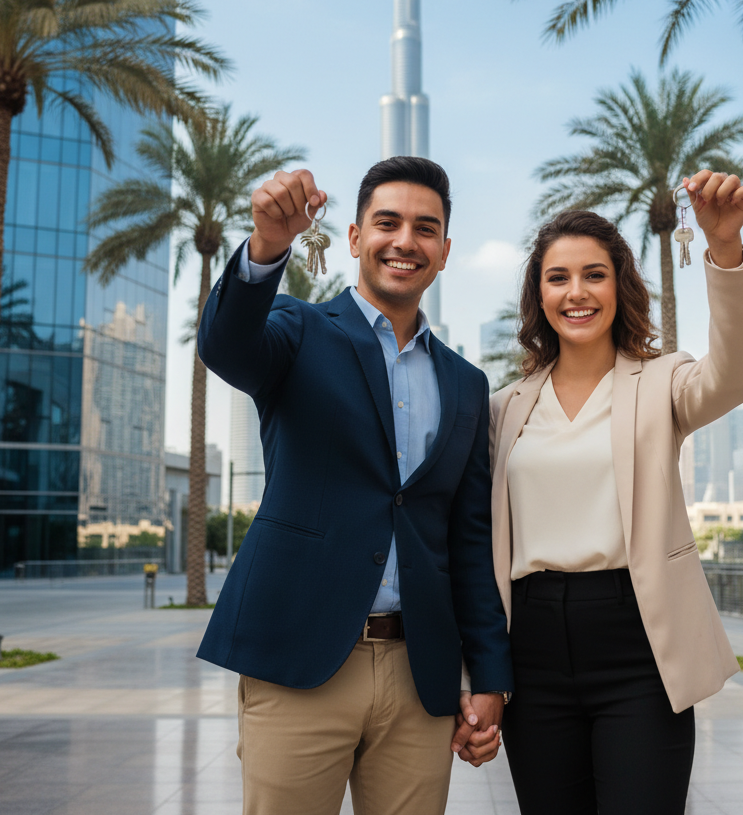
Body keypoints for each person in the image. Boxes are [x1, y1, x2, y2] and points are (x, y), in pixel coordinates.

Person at [196, 156, 513, 815]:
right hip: (300, 659)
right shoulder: (297, 330)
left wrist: (490, 677)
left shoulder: (466, 383)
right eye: (387, 223)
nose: (405, 241)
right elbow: (226, 346)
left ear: (445, 252)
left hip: (419, 673)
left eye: (426, 229)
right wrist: (267, 246)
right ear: (353, 237)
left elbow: (468, 541)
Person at [490, 170, 743, 814]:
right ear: (538, 295)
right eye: (558, 278)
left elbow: (734, 376)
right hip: (531, 650)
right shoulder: (503, 408)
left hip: (639, 644)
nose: (576, 292)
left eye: (594, 275)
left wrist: (724, 247)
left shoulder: (663, 382)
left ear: (620, 286)